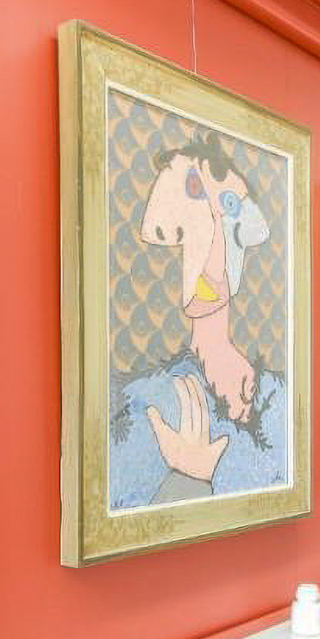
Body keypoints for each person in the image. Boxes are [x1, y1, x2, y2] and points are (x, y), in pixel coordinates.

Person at [109, 134, 287, 509]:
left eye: (228, 207)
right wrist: (188, 480)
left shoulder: (278, 394)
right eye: (195, 192)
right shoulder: (149, 399)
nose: (214, 247)